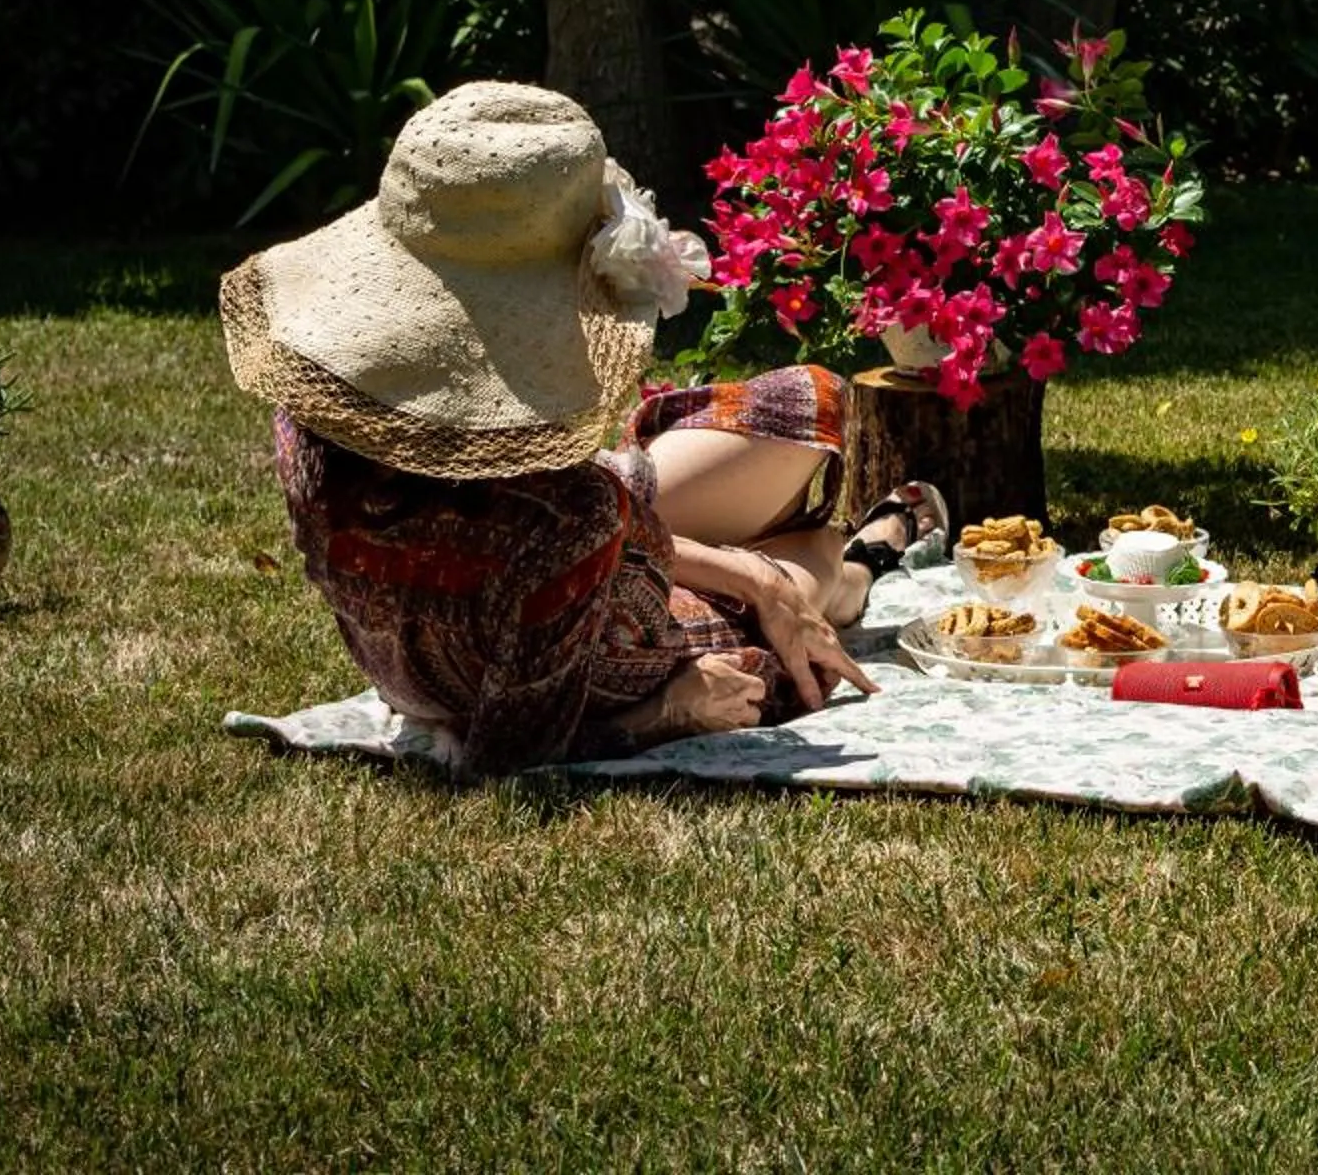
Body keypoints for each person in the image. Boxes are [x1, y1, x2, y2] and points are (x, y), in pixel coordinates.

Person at [219, 80, 940, 773]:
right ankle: (860, 566)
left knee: (800, 405)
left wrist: (747, 572)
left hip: (441, 641)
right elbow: (509, 753)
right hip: (566, 652)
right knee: (806, 571)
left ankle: (795, 565)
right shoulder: (566, 521)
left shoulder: (316, 414)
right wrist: (672, 708)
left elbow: (585, 518)